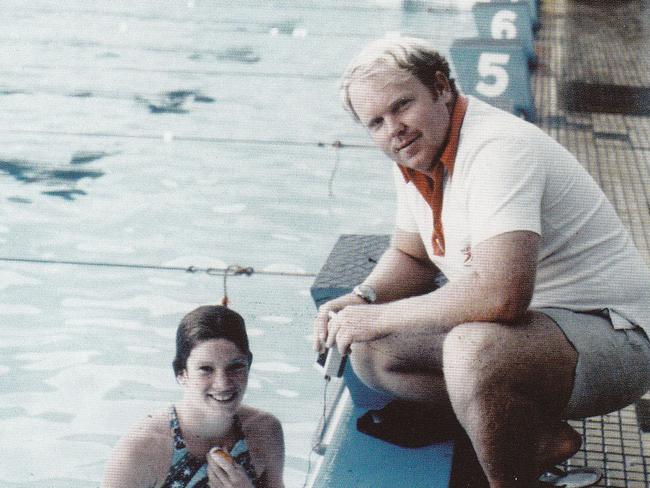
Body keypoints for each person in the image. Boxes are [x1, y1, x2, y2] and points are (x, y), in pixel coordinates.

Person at [314, 37, 650, 487]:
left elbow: (502, 295)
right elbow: (411, 255)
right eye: (376, 122)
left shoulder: (497, 149)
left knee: (471, 350)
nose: (393, 128)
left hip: (614, 338)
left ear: (441, 87)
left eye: (402, 105)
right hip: (534, 335)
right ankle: (537, 436)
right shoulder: (418, 155)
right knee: (373, 354)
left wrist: (381, 316)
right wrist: (361, 300)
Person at [103, 305, 285, 488]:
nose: (223, 384)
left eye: (235, 367)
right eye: (206, 369)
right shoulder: (141, 449)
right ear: (181, 373)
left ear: (249, 364)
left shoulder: (265, 432)